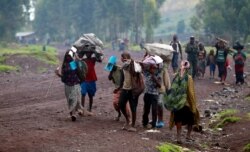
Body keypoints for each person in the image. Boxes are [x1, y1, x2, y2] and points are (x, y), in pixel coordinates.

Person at [168, 60, 200, 144]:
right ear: (188, 69)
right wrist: (193, 103)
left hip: (178, 103)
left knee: (179, 119)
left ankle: (179, 137)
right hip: (186, 103)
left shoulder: (176, 76)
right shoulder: (189, 78)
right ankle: (188, 136)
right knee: (190, 119)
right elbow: (191, 92)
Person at [55, 47, 84, 121]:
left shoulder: (73, 63)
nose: (68, 57)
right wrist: (58, 73)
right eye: (67, 56)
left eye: (69, 55)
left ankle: (76, 111)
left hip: (75, 84)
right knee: (70, 100)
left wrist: (78, 60)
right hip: (67, 84)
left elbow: (78, 72)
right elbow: (63, 77)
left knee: (76, 99)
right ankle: (72, 114)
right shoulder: (64, 65)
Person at [117, 52, 140, 132]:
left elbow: (138, 69)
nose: (121, 59)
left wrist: (131, 61)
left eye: (122, 57)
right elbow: (122, 78)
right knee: (120, 104)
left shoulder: (134, 65)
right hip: (125, 88)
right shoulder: (124, 66)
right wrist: (119, 88)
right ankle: (128, 120)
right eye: (121, 57)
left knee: (133, 107)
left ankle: (132, 125)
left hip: (133, 90)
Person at [105, 56, 131, 121]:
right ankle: (119, 114)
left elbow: (124, 79)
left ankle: (129, 118)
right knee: (115, 103)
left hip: (124, 88)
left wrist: (119, 88)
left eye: (111, 65)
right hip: (118, 88)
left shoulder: (120, 69)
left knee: (124, 103)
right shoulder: (112, 70)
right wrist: (111, 71)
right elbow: (109, 78)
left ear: (114, 64)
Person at [141, 55, 162, 129]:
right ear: (149, 68)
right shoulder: (146, 74)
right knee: (146, 109)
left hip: (154, 94)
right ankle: (144, 123)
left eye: (155, 68)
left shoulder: (158, 75)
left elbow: (159, 85)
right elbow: (142, 66)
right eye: (152, 68)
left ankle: (153, 124)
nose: (154, 69)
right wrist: (145, 58)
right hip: (147, 93)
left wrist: (154, 78)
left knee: (154, 110)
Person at [80, 47, 103, 115]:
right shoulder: (83, 60)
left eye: (89, 52)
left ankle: (90, 108)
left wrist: (96, 52)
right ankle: (82, 109)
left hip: (92, 79)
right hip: (84, 79)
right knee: (83, 93)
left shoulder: (93, 59)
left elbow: (100, 60)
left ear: (91, 53)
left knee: (90, 95)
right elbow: (77, 60)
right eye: (86, 52)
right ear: (85, 53)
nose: (88, 54)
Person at [156, 57, 171, 128]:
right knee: (154, 106)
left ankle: (160, 120)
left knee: (159, 103)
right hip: (152, 90)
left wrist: (168, 89)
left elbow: (166, 80)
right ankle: (155, 119)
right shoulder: (151, 68)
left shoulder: (163, 69)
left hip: (161, 90)